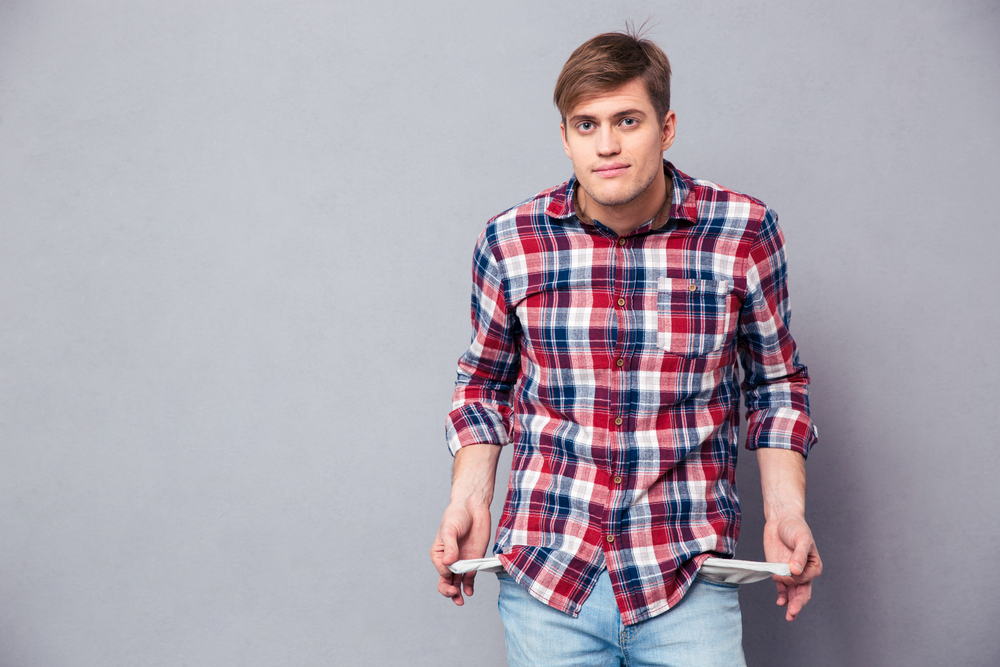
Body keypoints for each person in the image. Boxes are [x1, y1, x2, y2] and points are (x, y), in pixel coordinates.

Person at [430, 28, 822, 666]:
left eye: (627, 120)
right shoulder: (511, 242)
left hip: (687, 580)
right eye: (585, 125)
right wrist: (468, 500)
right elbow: (483, 386)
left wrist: (785, 509)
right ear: (564, 136)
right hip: (547, 579)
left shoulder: (742, 232)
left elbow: (777, 386)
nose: (606, 145)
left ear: (666, 128)